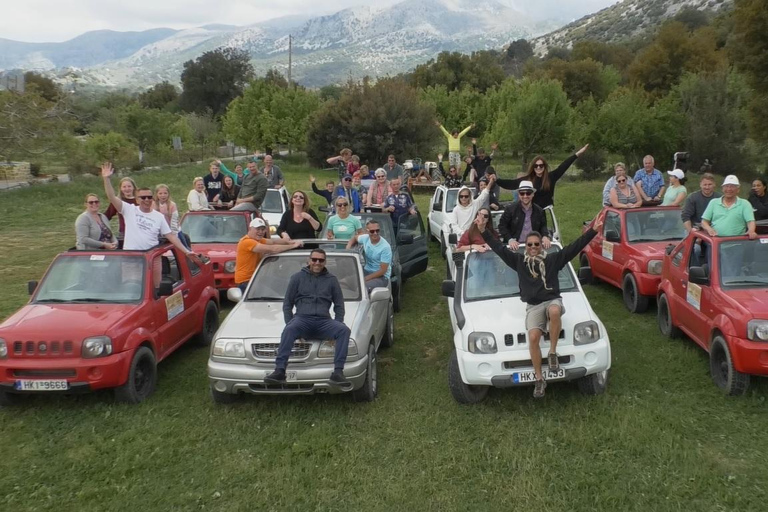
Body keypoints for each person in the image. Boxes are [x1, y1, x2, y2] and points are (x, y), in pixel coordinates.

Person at [482, 215, 604, 398]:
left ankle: (553, 352)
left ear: (541, 245)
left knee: (554, 311)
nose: (532, 248)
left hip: (551, 300)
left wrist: (593, 230)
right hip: (533, 306)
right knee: (533, 337)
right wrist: (483, 230)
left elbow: (574, 247)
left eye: (536, 244)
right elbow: (499, 248)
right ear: (526, 246)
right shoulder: (519, 262)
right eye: (529, 245)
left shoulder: (552, 260)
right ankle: (539, 379)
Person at [102, 162, 197, 293]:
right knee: (132, 289)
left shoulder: (158, 216)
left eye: (149, 197)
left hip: (153, 258)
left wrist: (186, 251)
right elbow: (111, 197)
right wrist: (106, 179)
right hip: (132, 259)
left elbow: (170, 236)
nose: (146, 200)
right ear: (137, 198)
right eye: (143, 197)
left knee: (155, 291)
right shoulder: (129, 210)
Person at [264, 248, 352, 387]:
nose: (317, 262)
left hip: (324, 321)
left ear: (325, 262)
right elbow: (287, 304)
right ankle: (279, 371)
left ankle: (338, 373)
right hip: (302, 319)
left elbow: (339, 305)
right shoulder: (297, 278)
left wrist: (337, 322)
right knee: (289, 329)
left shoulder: (332, 280)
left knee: (343, 330)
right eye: (314, 259)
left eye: (321, 260)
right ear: (308, 260)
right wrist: (290, 322)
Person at [496, 145, 589, 209]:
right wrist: (496, 180)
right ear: (533, 167)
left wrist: (577, 154)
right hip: (533, 211)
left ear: (544, 166)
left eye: (541, 165)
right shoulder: (529, 179)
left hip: (546, 210)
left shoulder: (551, 177)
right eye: (536, 166)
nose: (538, 168)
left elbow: (564, 165)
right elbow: (512, 184)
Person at [235, 218, 301, 290]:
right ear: (250, 229)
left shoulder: (258, 240)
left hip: (255, 278)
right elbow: (273, 249)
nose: (260, 232)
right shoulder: (247, 242)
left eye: (263, 229)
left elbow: (274, 242)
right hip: (245, 281)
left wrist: (290, 242)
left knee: (284, 284)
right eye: (258, 229)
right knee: (273, 292)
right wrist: (293, 246)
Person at [498, 181, 552, 249]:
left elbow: (543, 226)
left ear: (533, 194)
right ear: (519, 195)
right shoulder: (510, 209)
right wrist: (510, 240)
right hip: (515, 248)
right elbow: (502, 226)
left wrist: (545, 236)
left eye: (528, 193)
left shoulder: (539, 211)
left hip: (533, 248)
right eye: (522, 193)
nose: (525, 196)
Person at [346, 220, 392, 292]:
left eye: (377, 230)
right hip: (366, 271)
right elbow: (355, 238)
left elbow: (383, 271)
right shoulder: (365, 238)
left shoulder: (385, 247)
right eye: (372, 231)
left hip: (381, 277)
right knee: (343, 282)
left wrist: (364, 279)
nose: (375, 233)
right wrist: (348, 247)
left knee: (361, 289)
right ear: (367, 231)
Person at [104, 176, 136, 248]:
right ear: (121, 189)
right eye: (124, 187)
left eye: (129, 186)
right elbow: (107, 215)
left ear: (133, 187)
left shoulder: (140, 200)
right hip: (124, 233)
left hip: (140, 232)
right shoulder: (118, 202)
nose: (127, 189)